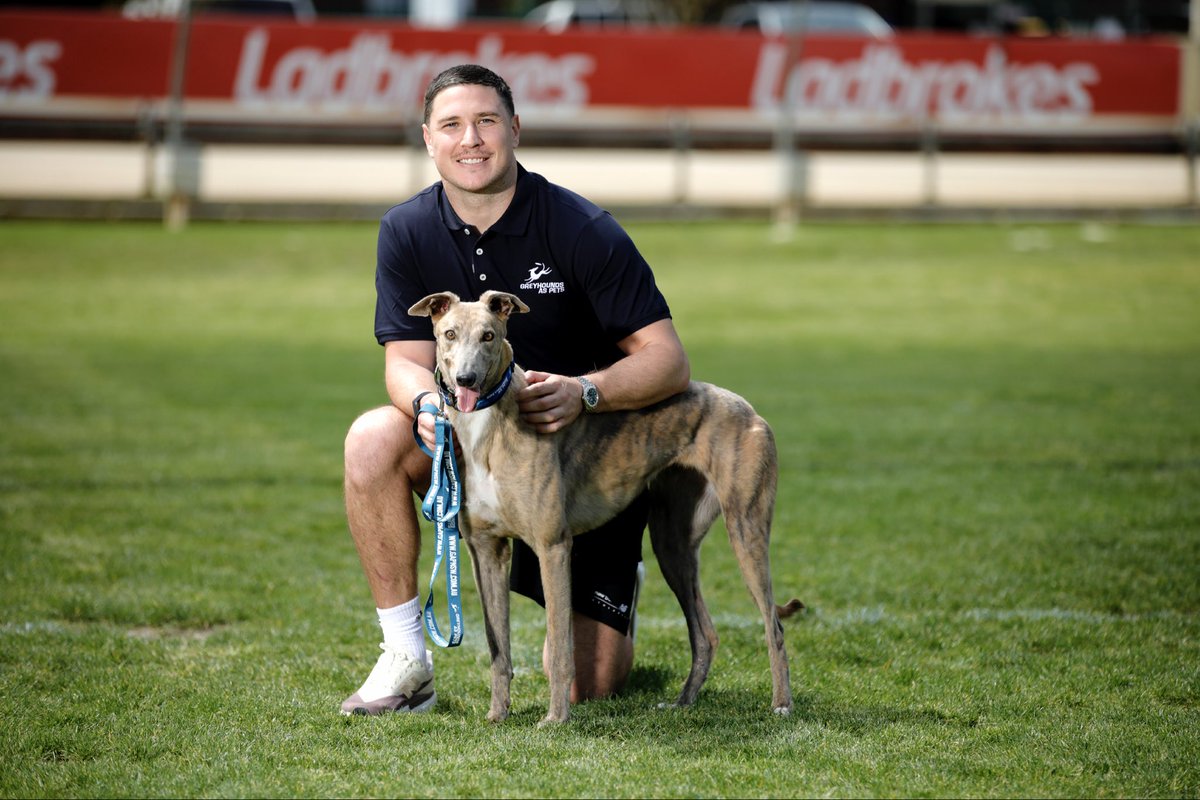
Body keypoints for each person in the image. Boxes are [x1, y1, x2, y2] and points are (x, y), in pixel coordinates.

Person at [340, 64, 690, 715]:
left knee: (591, 686)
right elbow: (405, 362)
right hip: (472, 450)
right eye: (451, 125)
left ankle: (616, 587)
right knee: (371, 439)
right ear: (428, 138)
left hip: (579, 468)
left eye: (486, 121)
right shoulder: (407, 230)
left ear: (515, 129)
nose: (470, 139)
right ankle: (406, 658)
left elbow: (668, 361)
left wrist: (586, 390)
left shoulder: (581, 228)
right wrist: (425, 405)